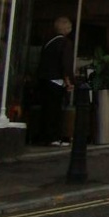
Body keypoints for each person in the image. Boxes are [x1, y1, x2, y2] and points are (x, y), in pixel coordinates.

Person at [35, 16, 75, 146]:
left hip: (44, 79)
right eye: (69, 26)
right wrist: (69, 82)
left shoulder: (48, 42)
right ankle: (54, 137)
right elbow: (66, 64)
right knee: (55, 110)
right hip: (56, 80)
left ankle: (43, 136)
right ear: (66, 28)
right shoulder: (65, 43)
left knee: (46, 109)